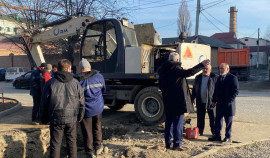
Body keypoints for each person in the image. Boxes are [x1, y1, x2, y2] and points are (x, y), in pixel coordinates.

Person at [158, 52, 210, 151]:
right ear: (177, 60)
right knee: (178, 123)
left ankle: (168, 143)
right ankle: (177, 144)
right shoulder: (175, 69)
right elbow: (189, 73)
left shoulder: (162, 70)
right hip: (178, 101)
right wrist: (201, 65)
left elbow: (160, 86)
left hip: (167, 100)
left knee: (168, 122)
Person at [40, 59, 85, 158]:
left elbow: (44, 103)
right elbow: (82, 102)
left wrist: (43, 119)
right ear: (68, 68)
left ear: (58, 68)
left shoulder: (51, 83)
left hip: (56, 118)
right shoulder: (76, 83)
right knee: (72, 142)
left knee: (55, 144)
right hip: (72, 118)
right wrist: (80, 117)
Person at [76, 59, 106, 158]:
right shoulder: (99, 76)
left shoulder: (79, 81)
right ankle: (98, 147)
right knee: (97, 127)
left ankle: (89, 152)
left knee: (87, 131)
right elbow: (103, 90)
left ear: (80, 69)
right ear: (90, 67)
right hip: (98, 108)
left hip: (86, 111)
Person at [208, 63, 239, 142]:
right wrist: (214, 101)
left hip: (228, 105)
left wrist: (229, 101)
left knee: (228, 122)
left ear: (227, 69)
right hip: (220, 104)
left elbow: (235, 91)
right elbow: (216, 91)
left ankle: (228, 137)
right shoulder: (218, 78)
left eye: (222, 68)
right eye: (220, 68)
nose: (220, 70)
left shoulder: (233, 78)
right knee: (218, 120)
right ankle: (217, 136)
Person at [191, 64, 217, 136]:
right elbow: (194, 89)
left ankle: (214, 132)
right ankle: (200, 131)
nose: (205, 70)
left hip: (211, 102)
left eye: (207, 69)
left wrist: (215, 100)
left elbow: (217, 90)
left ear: (210, 70)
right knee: (200, 118)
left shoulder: (214, 77)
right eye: (204, 69)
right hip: (200, 101)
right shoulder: (198, 77)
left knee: (213, 118)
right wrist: (192, 99)